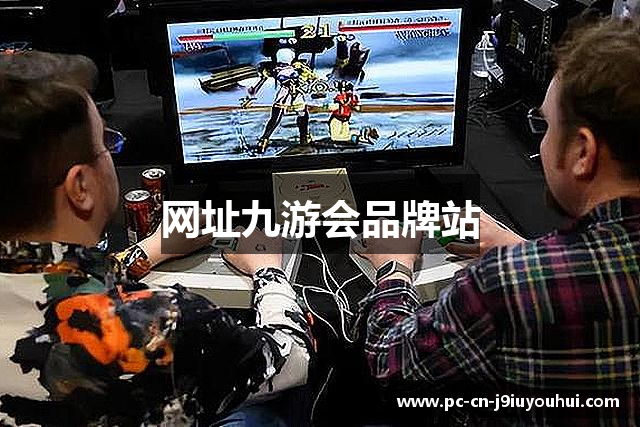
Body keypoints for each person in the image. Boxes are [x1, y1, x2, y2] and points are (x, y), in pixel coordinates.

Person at [352, 17, 640, 425]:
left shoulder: (504, 287)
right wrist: (526, 250)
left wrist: (393, 270)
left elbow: (389, 362)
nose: (541, 142)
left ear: (582, 152)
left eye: (544, 126)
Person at [0, 74, 312, 424]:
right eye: (107, 143)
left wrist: (149, 249)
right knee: (269, 407)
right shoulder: (161, 323)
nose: (111, 154)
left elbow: (57, 278)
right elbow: (292, 361)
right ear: (81, 186)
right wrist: (268, 271)